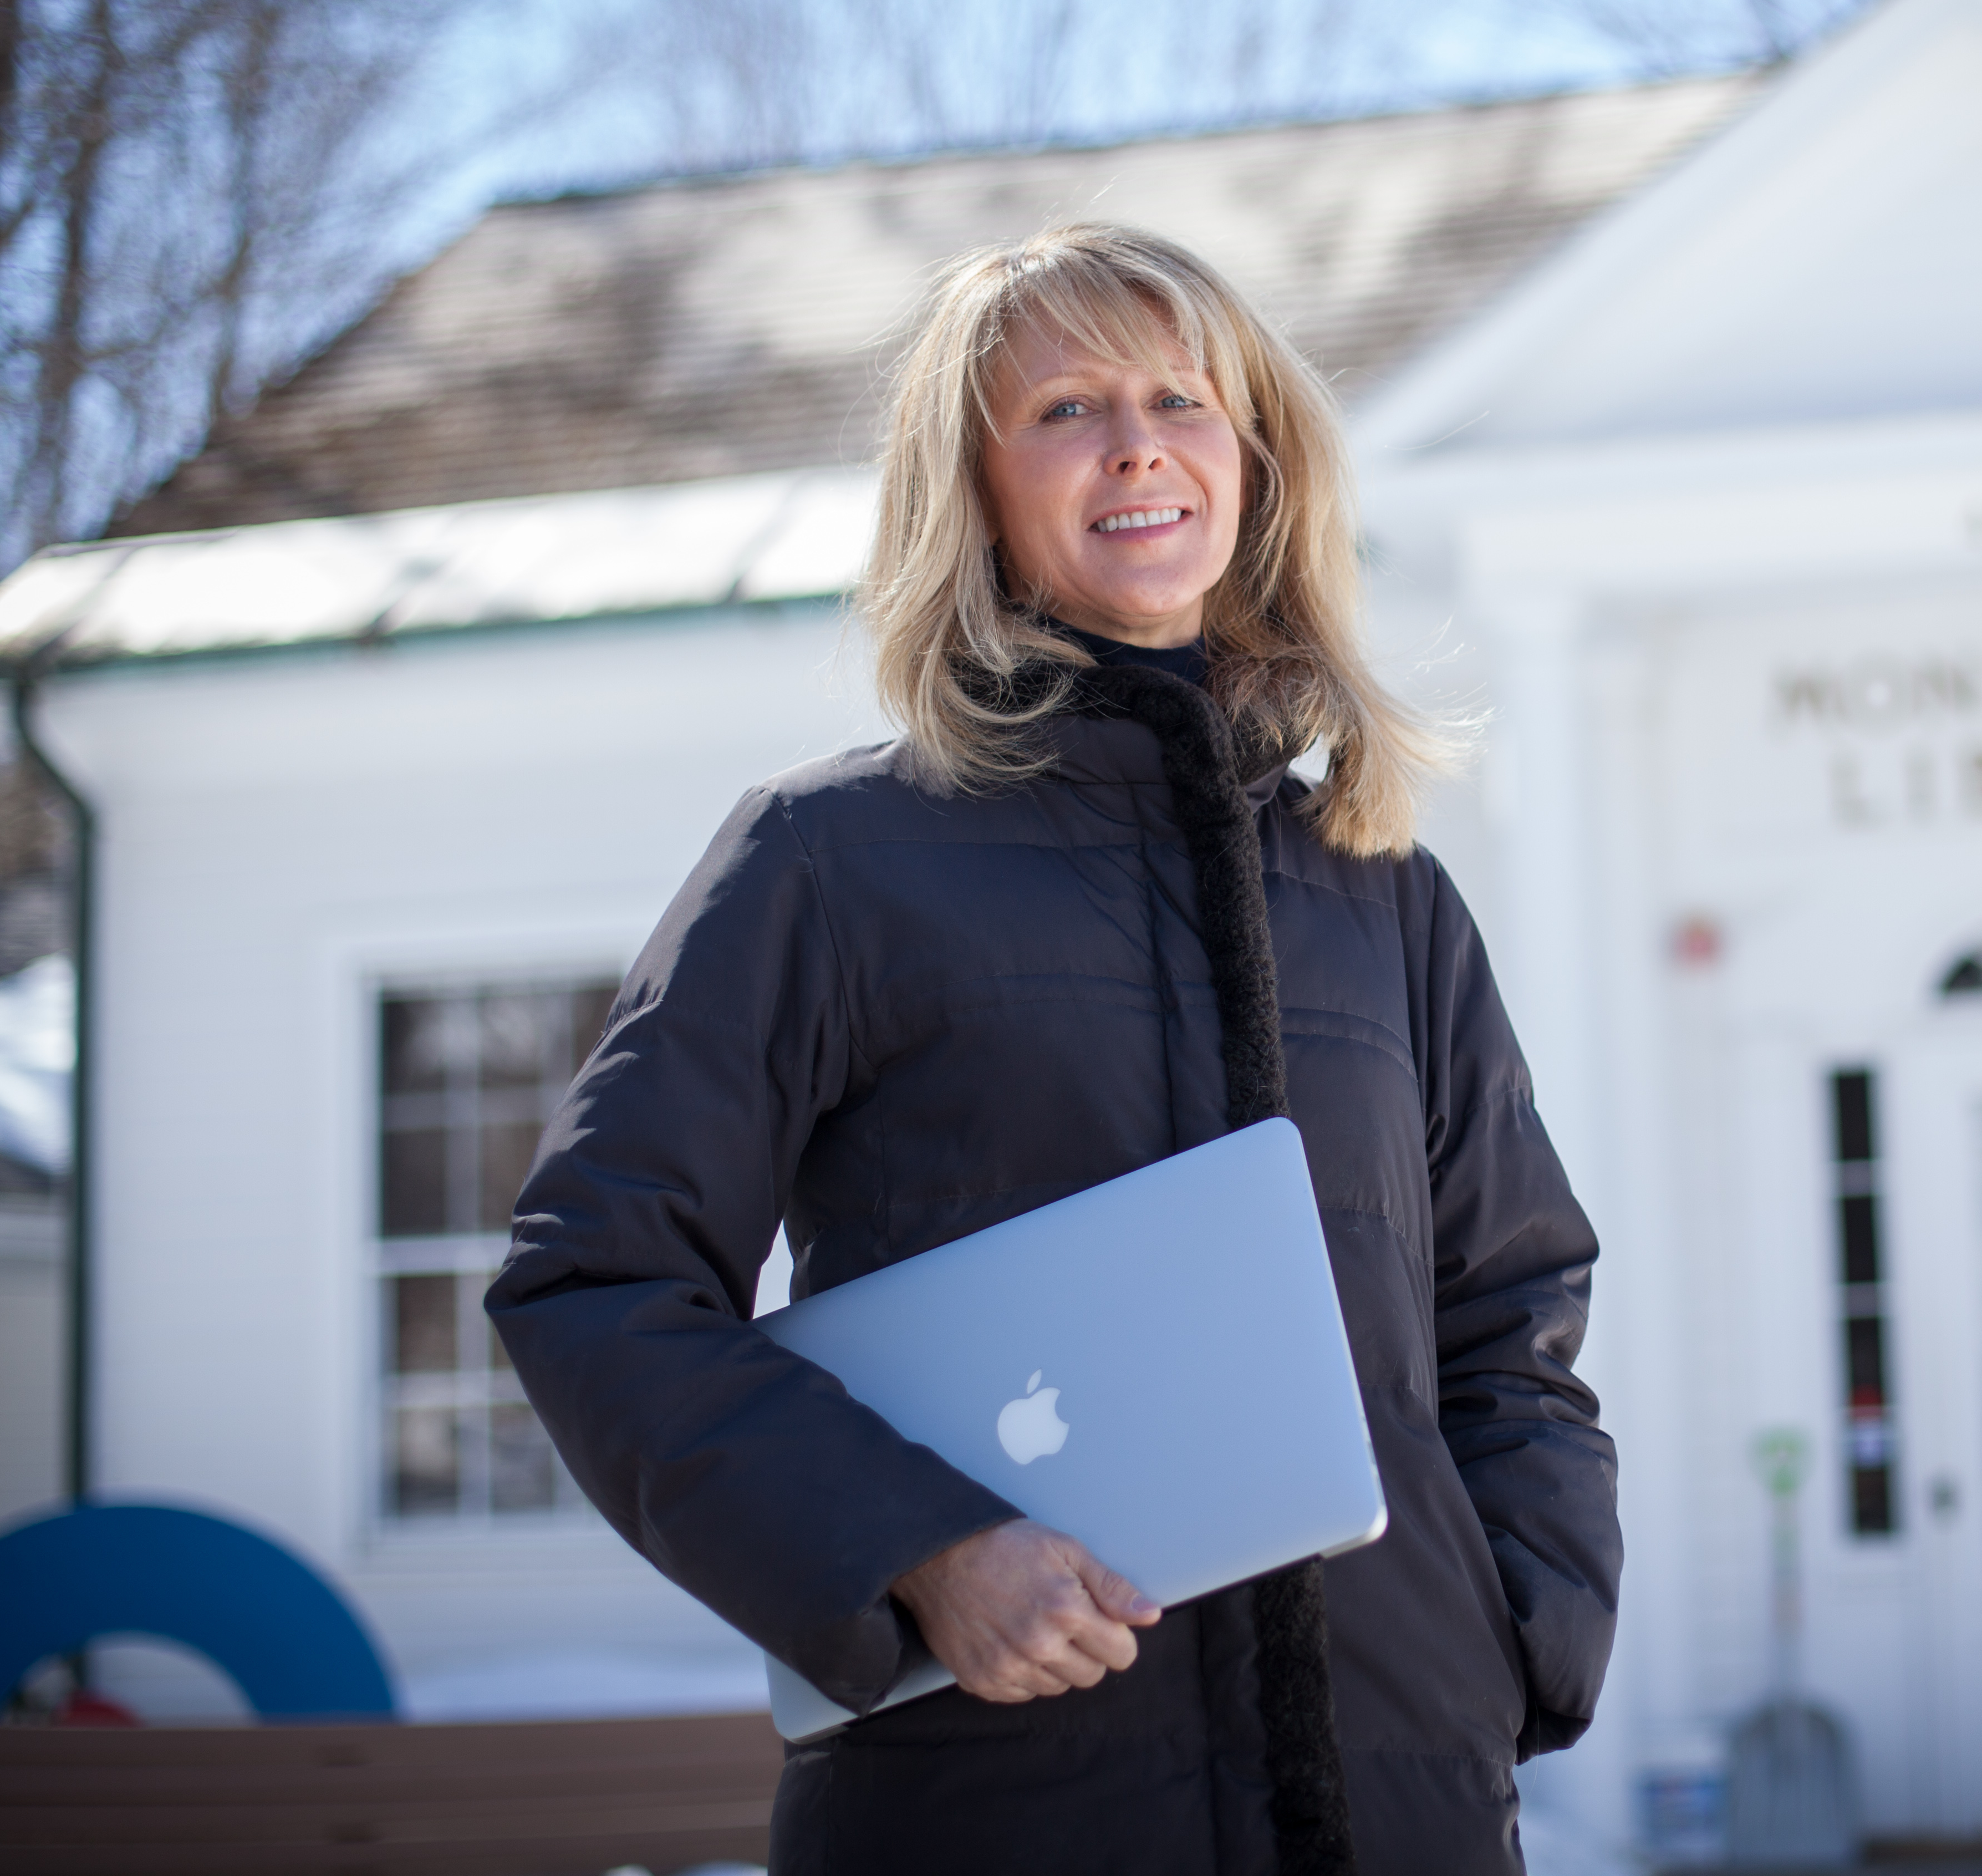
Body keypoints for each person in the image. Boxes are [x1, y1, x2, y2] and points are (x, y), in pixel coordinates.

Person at [487, 222, 1620, 1876]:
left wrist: (1514, 1636)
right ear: (977, 491)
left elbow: (1511, 1319)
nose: (1139, 441)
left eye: (1180, 396)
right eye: (1067, 408)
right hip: (996, 1801)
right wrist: (921, 1552)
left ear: (1256, 460)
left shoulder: (1388, 900)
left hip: (1408, 1802)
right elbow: (595, 1282)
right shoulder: (828, 861)